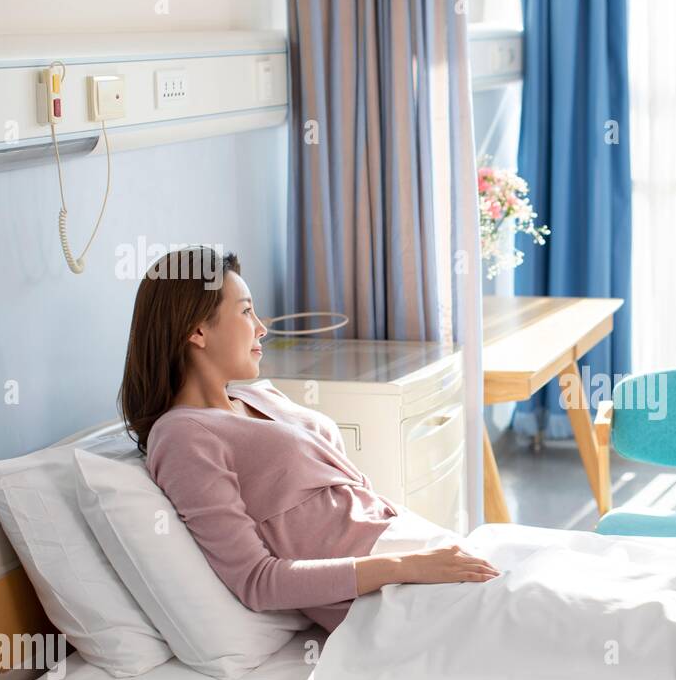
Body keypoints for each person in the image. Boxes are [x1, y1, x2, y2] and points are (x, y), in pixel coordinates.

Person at [119, 246, 499, 632]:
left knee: (547, 572)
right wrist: (407, 566)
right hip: (384, 596)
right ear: (197, 330)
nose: (261, 328)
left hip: (411, 545)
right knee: (546, 615)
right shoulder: (183, 436)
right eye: (246, 311)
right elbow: (257, 581)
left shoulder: (256, 395)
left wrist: (421, 554)